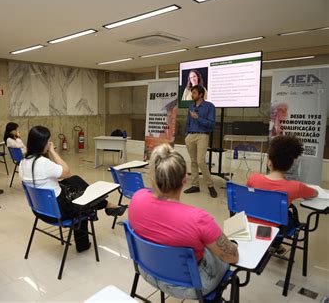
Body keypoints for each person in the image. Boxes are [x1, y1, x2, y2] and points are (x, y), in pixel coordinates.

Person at [129, 143, 238, 299]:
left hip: (148, 272)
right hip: (191, 285)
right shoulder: (198, 219)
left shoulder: (136, 198)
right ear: (185, 179)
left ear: (154, 175)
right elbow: (232, 257)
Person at [19, 126, 127, 252]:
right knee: (85, 200)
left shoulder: (23, 163)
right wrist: (53, 152)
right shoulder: (43, 163)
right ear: (42, 143)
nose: (49, 143)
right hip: (59, 211)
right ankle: (85, 241)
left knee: (75, 180)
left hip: (40, 209)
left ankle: (108, 205)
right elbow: (66, 172)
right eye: (48, 141)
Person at [246, 135, 317, 253]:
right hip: (275, 230)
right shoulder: (296, 187)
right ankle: (274, 244)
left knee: (272, 211)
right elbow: (314, 194)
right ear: (290, 166)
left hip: (250, 225)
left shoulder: (254, 178)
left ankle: (272, 244)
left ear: (269, 162)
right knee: (290, 217)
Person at [183, 85, 218, 198]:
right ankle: (195, 185)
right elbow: (188, 122)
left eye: (194, 93)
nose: (192, 95)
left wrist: (198, 118)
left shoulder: (209, 107)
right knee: (193, 161)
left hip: (203, 136)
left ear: (201, 94)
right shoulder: (191, 107)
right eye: (192, 93)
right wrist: (186, 135)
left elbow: (211, 124)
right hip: (191, 136)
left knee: (200, 161)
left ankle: (210, 186)